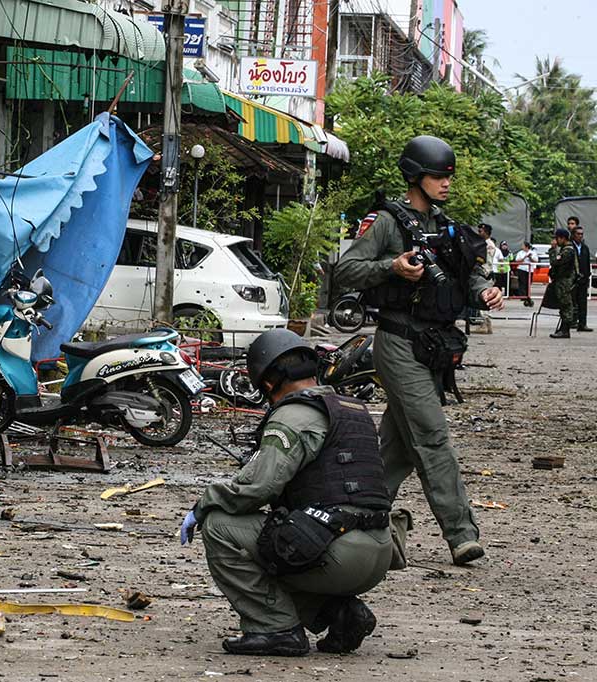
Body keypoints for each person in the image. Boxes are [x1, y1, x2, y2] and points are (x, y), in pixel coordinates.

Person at [334, 135, 503, 566]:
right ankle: (461, 534)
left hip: (433, 349)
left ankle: (352, 520)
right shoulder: (386, 222)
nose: (446, 183)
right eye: (437, 176)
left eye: (448, 177)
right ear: (415, 177)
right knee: (431, 436)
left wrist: (485, 291)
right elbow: (346, 270)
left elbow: (467, 274)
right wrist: (390, 267)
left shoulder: (447, 225)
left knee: (396, 449)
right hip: (398, 343)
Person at [180, 330, 392, 657]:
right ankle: (339, 614)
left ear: (267, 384)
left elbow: (258, 487)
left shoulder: (293, 415)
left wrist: (203, 505)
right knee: (283, 537)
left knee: (221, 527)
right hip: (379, 549)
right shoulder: (351, 408)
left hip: (341, 554)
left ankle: (275, 629)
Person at [546, 228, 578, 339]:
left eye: (557, 238)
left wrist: (552, 250)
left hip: (564, 282)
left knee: (566, 305)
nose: (555, 241)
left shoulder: (567, 251)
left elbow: (555, 262)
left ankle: (565, 330)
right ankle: (563, 329)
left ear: (562, 238)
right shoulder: (565, 249)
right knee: (563, 305)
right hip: (562, 281)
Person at [570, 222, 592, 332]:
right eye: (578, 234)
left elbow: (587, 263)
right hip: (572, 279)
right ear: (573, 235)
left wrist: (587, 276)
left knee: (583, 302)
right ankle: (572, 322)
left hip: (583, 279)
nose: (580, 236)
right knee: (572, 302)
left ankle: (582, 324)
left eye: (581, 234)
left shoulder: (585, 248)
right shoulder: (570, 247)